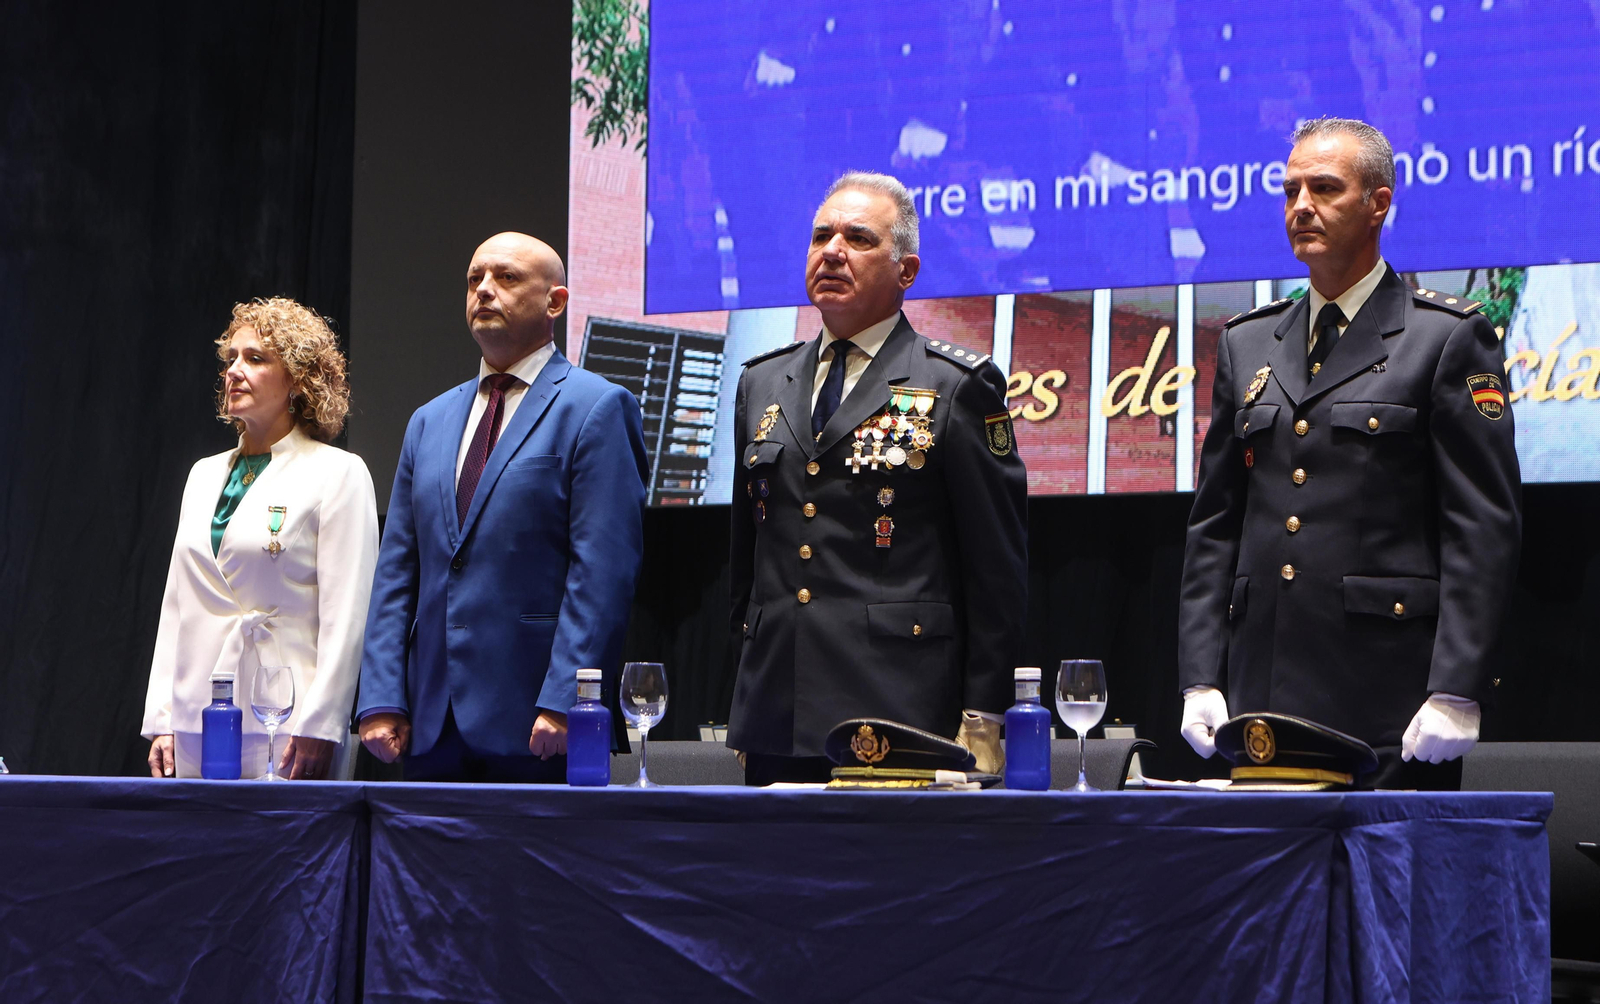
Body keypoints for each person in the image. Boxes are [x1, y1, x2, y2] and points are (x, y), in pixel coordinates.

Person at [1178, 117, 1522, 789]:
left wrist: (1456, 686)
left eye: (1324, 188)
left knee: (1383, 893)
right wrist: (1199, 674)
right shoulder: (1248, 342)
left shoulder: (1446, 338)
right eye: (1290, 191)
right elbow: (1215, 525)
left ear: (1378, 204)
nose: (1301, 206)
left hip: (1388, 705)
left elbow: (1482, 528)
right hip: (1261, 699)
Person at [727, 172, 1029, 785]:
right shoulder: (761, 382)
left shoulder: (956, 385)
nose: (832, 252)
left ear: (907, 271)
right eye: (820, 236)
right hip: (775, 711)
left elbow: (996, 571)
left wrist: (984, 713)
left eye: (859, 239)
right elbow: (746, 560)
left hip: (901, 709)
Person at [357, 232, 647, 782]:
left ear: (555, 303)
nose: (484, 290)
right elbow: (397, 570)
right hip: (426, 723)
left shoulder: (597, 407)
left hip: (539, 724)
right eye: (474, 280)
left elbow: (602, 573)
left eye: (506, 278)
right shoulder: (429, 420)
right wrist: (380, 697)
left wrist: (567, 699)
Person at [143, 298, 379, 779]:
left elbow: (347, 617)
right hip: (198, 716)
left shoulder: (337, 473)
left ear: (297, 378)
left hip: (286, 722)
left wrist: (322, 723)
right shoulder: (203, 475)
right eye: (230, 358)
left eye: (255, 358)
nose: (234, 371)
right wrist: (163, 719)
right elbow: (177, 603)